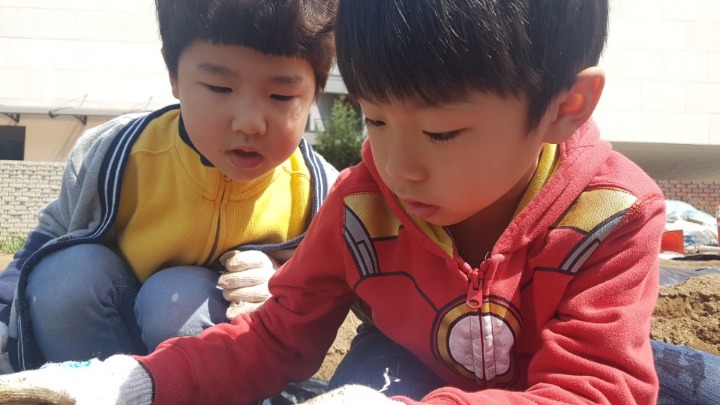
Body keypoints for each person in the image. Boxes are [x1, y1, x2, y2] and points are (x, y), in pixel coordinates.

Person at [1, 0, 720, 404]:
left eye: (441, 131)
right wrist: (135, 380)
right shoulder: (361, 205)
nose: (396, 165)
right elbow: (274, 336)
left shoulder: (612, 212)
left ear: (566, 106)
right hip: (411, 364)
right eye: (374, 118)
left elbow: (591, 388)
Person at [0, 0, 337, 374]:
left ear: (315, 93)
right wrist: (2, 311)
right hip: (105, 326)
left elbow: (332, 292)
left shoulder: (322, 193)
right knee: (65, 276)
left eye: (281, 96)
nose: (249, 123)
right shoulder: (115, 154)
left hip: (213, 358)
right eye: (220, 87)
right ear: (174, 74)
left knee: (176, 303)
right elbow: (49, 237)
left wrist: (279, 285)